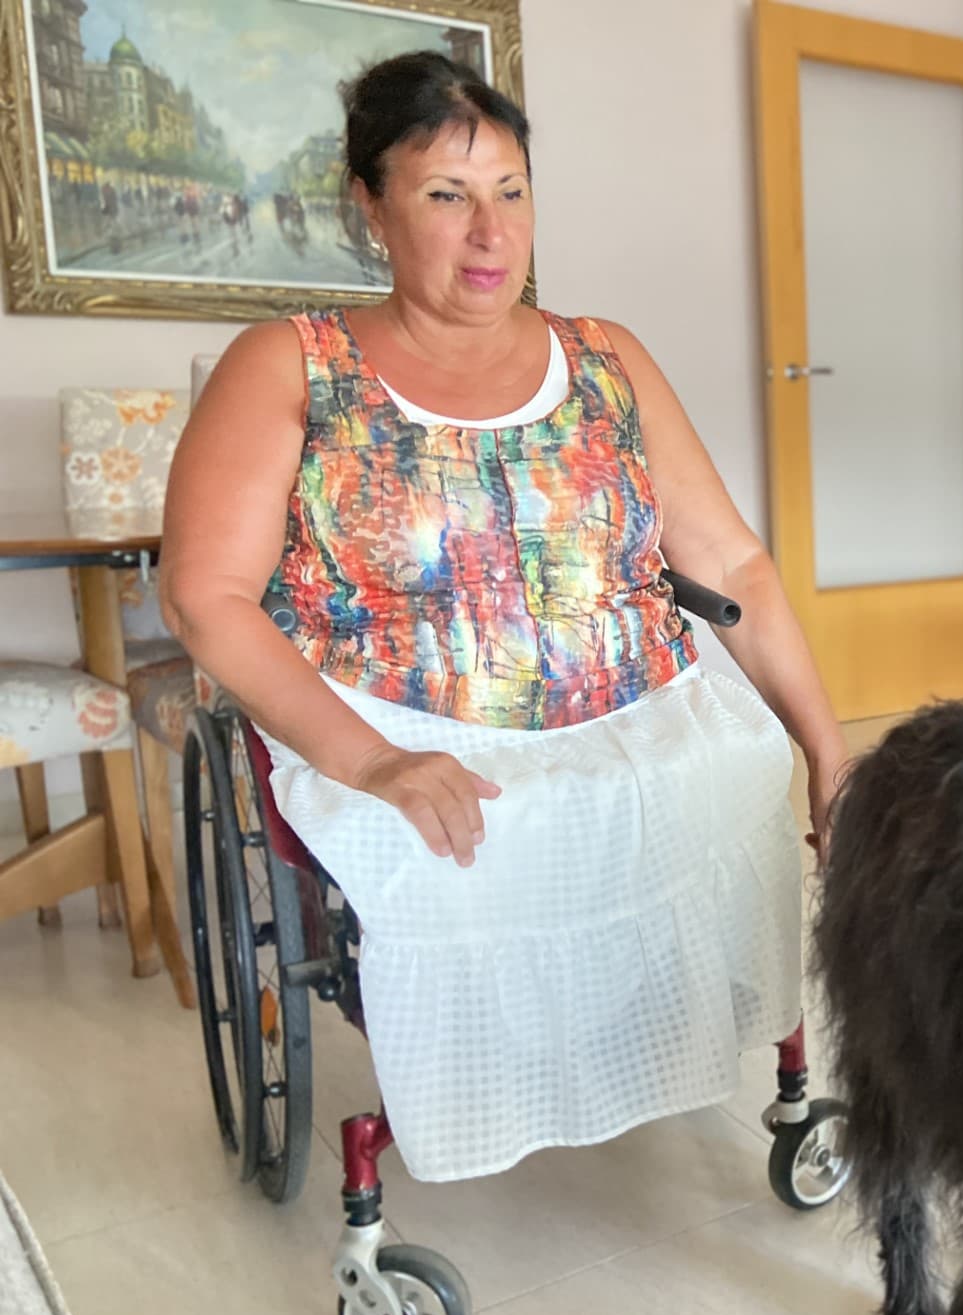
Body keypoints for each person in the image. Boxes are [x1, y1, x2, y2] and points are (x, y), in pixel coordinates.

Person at [162, 51, 848, 1185]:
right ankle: (492, 1083)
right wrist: (376, 765)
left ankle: (645, 1044)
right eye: (447, 195)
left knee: (733, 771)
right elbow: (207, 596)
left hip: (638, 705)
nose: (491, 233)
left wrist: (827, 750)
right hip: (396, 724)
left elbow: (732, 560)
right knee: (463, 841)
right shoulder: (290, 365)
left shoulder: (608, 360)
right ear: (370, 207)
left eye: (512, 193)